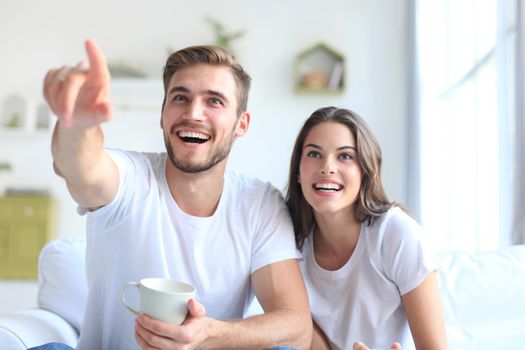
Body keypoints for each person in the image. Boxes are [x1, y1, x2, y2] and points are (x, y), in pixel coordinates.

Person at [38, 39, 312, 350]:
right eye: (180, 98)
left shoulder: (259, 204)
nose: (193, 113)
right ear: (163, 113)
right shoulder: (131, 178)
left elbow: (296, 328)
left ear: (241, 124)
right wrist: (77, 125)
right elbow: (81, 166)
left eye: (214, 101)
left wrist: (208, 335)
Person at [285, 107, 448, 350]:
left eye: (345, 156)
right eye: (314, 154)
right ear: (298, 172)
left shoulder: (397, 234)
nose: (327, 167)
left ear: (366, 171)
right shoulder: (286, 238)